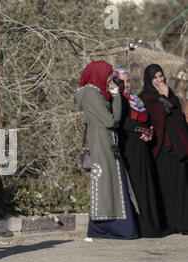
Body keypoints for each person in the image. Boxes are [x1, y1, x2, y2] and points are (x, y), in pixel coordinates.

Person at [74, 60, 139, 240]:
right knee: (104, 182)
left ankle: (116, 226)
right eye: (109, 74)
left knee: (113, 181)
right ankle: (104, 227)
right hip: (99, 141)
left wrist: (115, 95)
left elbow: (114, 120)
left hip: (108, 140)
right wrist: (112, 99)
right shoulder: (91, 94)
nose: (111, 78)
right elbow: (110, 121)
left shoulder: (100, 93)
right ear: (99, 74)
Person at [113, 68, 167, 237]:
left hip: (142, 146)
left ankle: (154, 225)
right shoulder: (116, 99)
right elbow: (122, 122)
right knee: (137, 186)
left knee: (148, 183)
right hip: (129, 148)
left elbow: (147, 118)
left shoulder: (135, 99)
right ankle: (143, 227)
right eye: (121, 81)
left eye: (128, 81)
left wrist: (149, 130)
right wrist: (141, 129)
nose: (126, 85)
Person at [138, 64, 188, 235]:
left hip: (177, 147)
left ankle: (182, 223)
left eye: (161, 77)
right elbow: (156, 117)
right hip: (160, 149)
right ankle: (168, 223)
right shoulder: (145, 97)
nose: (159, 81)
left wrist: (167, 98)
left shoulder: (170, 94)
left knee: (180, 186)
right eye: (155, 78)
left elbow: (178, 116)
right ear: (149, 80)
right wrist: (163, 98)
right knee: (164, 187)